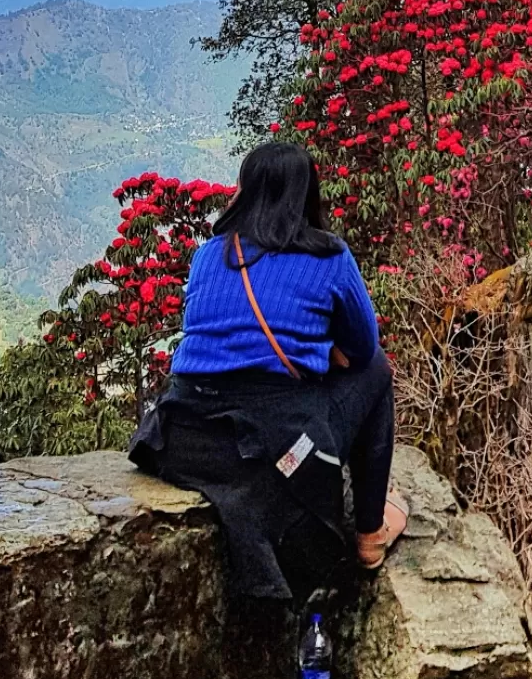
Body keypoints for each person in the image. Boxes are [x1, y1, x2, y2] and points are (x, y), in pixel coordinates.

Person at [129, 141, 407, 601]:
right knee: (377, 369)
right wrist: (320, 350)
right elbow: (362, 349)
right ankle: (369, 533)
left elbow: (219, 339)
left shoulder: (209, 254)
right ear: (306, 193)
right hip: (269, 436)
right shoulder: (328, 256)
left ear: (245, 192)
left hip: (187, 432)